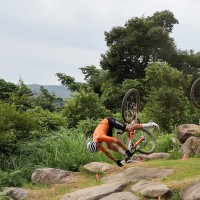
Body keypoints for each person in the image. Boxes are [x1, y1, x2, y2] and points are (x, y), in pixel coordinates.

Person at [86, 117, 159, 167]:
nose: (100, 148)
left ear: (97, 145)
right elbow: (107, 153)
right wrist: (116, 161)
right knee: (109, 146)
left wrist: (127, 150)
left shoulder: (99, 138)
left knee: (129, 129)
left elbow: (117, 141)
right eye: (98, 150)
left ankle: (150, 124)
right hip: (106, 130)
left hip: (109, 121)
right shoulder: (96, 144)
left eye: (98, 148)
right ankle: (124, 154)